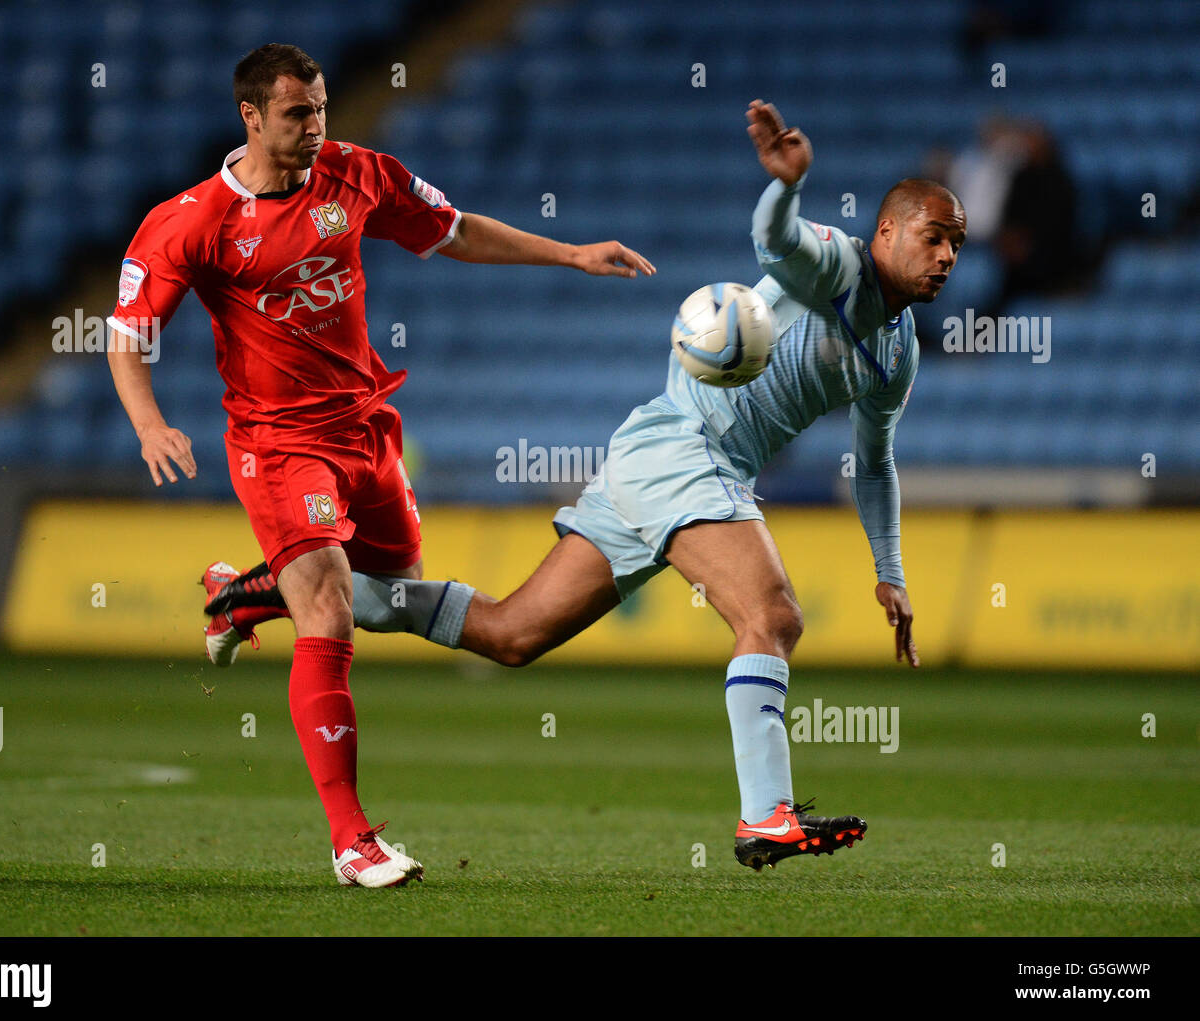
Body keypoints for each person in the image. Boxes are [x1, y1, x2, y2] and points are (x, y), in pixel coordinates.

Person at [205, 101, 967, 871]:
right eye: (933, 237)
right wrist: (786, 187)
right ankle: (766, 817)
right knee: (772, 615)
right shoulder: (836, 263)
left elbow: (874, 462)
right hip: (683, 449)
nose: (946, 257)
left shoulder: (896, 353)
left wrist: (890, 570)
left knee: (510, 634)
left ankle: (267, 589)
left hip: (670, 463)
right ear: (886, 232)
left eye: (957, 246)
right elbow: (776, 241)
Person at [106, 43, 654, 888]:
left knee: (392, 589)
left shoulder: (357, 174)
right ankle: (351, 838)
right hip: (278, 443)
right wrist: (149, 423)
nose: (316, 126)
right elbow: (127, 337)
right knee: (329, 610)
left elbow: (455, 229)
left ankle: (240, 593)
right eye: (297, 114)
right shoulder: (190, 220)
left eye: (320, 107)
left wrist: (569, 252)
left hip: (366, 429)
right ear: (250, 118)